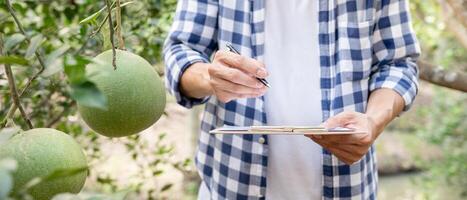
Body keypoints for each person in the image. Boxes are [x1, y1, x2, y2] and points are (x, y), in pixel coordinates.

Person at [164, 0, 420, 199]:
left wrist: (373, 121)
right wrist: (211, 77)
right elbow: (181, 52)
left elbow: (398, 64)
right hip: (230, 186)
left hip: (348, 189)